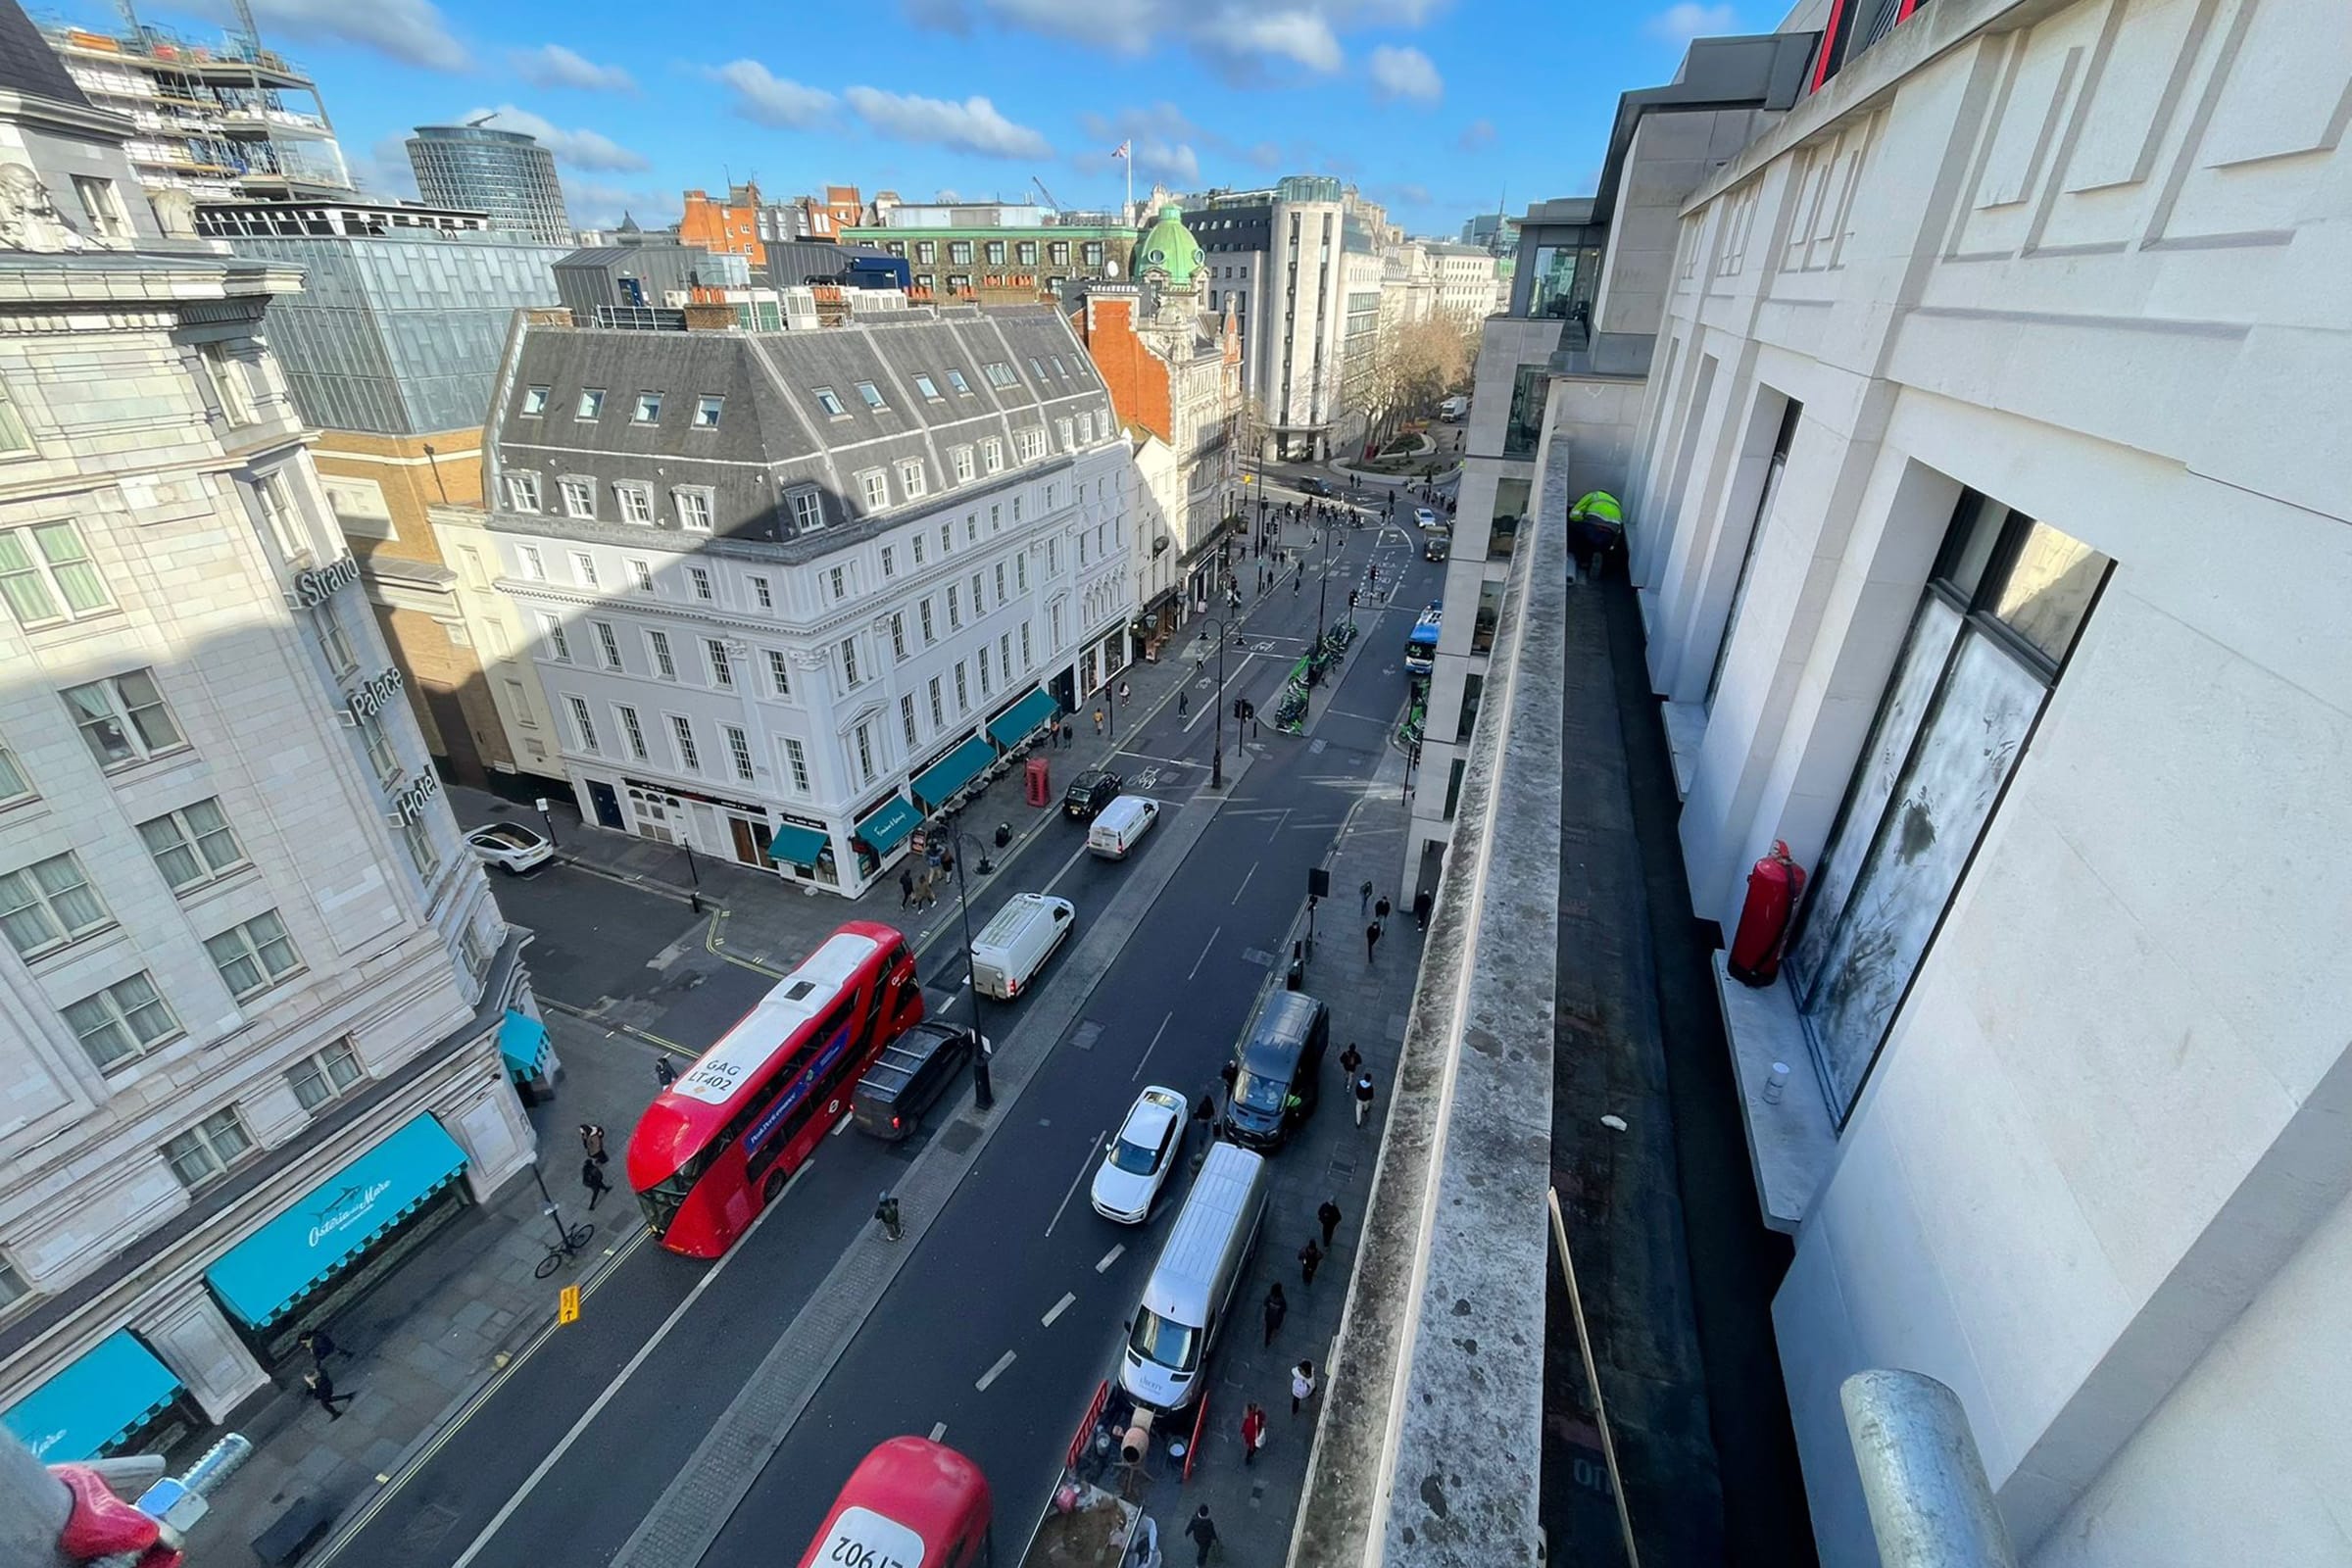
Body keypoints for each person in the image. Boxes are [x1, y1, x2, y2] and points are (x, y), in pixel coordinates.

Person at [1240, 1401, 1268, 1467]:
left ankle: (1249, 1456)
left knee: (1252, 1447)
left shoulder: (1251, 1417)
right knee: (1252, 1448)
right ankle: (1248, 1457)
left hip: (1253, 1435)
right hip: (1254, 1437)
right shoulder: (1255, 1417)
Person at [1262, 1282, 1288, 1346]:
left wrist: (1271, 1305)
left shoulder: (1270, 1297)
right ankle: (1272, 1334)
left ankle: (1267, 1341)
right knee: (1274, 1327)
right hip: (1277, 1318)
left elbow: (1265, 1303)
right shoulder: (1282, 1300)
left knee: (1268, 1330)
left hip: (1269, 1316)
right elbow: (1284, 1309)